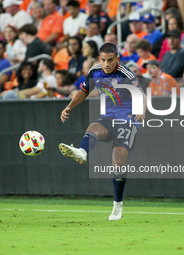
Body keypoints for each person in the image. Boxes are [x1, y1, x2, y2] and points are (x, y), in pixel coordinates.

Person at [59, 43, 146, 221]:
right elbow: (83, 92)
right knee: (93, 128)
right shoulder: (94, 72)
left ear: (117, 59)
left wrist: (142, 110)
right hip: (109, 117)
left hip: (128, 120)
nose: (107, 64)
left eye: (110, 60)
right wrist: (69, 107)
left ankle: (117, 206)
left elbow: (141, 94)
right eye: (104, 60)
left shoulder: (126, 73)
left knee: (117, 163)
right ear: (99, 59)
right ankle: (82, 152)